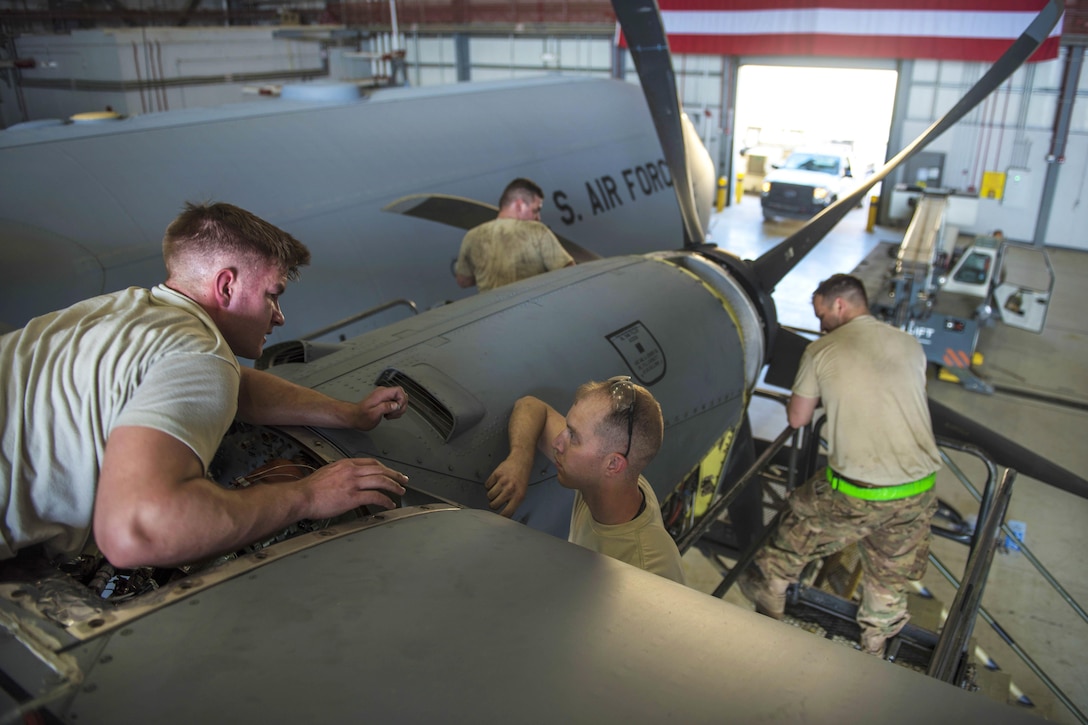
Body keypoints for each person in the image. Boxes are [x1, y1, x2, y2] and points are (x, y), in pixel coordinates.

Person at [0, 201, 410, 570]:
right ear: (227, 286)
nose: (279, 316)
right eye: (273, 295)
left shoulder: (122, 311)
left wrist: (348, 414)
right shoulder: (200, 356)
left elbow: (233, 383)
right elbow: (137, 533)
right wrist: (309, 495)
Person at [739, 273, 941, 657]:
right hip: (918, 489)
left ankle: (773, 592)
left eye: (821, 316)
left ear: (839, 305)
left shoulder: (821, 350)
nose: (820, 325)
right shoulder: (910, 344)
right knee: (888, 576)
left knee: (796, 520)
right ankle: (876, 645)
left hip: (859, 490)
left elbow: (798, 419)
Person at [484, 377, 685, 584]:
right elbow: (532, 406)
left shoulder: (649, 570)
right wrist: (520, 458)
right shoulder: (608, 481)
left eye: (573, 436)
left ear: (613, 465)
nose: (557, 443)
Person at [454, 177, 574, 292]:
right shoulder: (536, 230)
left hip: (494, 311)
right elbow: (569, 272)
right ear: (519, 205)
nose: (538, 218)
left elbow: (463, 281)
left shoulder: (472, 236)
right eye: (535, 210)